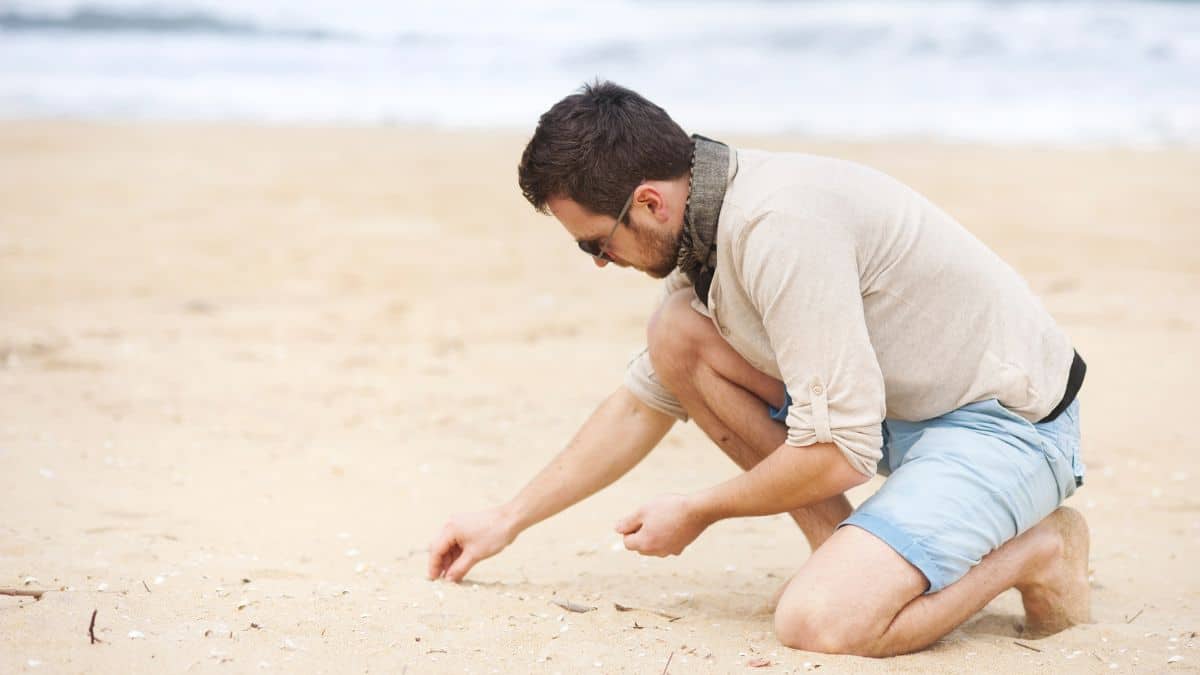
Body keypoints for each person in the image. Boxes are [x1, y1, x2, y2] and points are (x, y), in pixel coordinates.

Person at [426, 81, 1090, 657]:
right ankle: (843, 552)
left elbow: (841, 451)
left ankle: (1039, 550)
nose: (600, 261)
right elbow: (642, 401)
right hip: (905, 405)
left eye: (596, 242)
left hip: (1007, 424)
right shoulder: (708, 231)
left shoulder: (778, 225)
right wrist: (506, 518)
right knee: (676, 335)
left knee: (820, 622)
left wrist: (698, 509)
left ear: (651, 202)